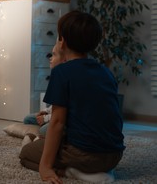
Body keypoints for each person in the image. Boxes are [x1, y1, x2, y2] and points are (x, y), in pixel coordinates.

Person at [19, 10, 125, 183]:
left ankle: (73, 171)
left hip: (85, 156)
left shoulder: (62, 72)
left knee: (26, 155)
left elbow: (57, 123)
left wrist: (45, 166)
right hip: (114, 155)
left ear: (62, 41)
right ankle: (96, 170)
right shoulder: (105, 71)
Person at [23, 44, 66, 137]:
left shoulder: (63, 79)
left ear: (64, 60)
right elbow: (55, 105)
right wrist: (45, 111)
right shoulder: (57, 76)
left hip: (65, 120)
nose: (50, 58)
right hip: (54, 115)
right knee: (28, 119)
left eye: (54, 55)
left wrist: (46, 119)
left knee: (43, 131)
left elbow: (65, 113)